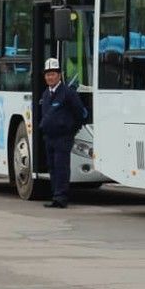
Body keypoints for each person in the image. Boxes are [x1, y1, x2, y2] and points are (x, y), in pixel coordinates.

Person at [37, 57, 87, 209]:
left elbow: (80, 113)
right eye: (47, 74)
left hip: (63, 137)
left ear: (59, 75)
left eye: (53, 74)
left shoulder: (68, 93)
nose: (50, 77)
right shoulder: (45, 94)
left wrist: (71, 129)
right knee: (52, 167)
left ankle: (61, 197)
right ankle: (55, 195)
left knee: (61, 166)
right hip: (49, 137)